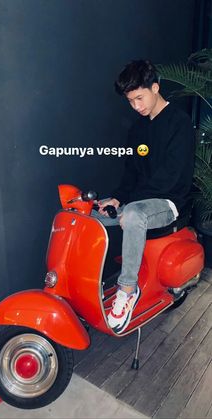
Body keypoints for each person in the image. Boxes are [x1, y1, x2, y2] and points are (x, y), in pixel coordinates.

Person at [94, 59, 195, 334]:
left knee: (134, 214)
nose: (136, 106)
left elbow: (169, 178)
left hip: (169, 202)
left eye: (140, 97)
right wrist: (116, 199)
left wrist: (129, 204)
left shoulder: (179, 123)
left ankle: (127, 291)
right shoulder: (137, 130)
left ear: (155, 87)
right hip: (140, 199)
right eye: (130, 101)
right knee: (90, 215)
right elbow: (131, 174)